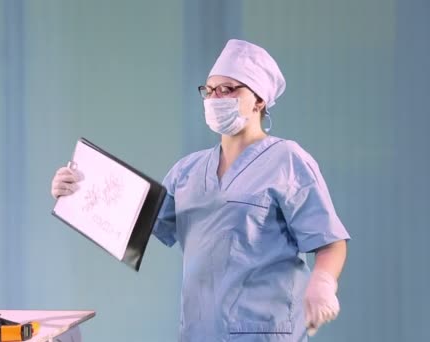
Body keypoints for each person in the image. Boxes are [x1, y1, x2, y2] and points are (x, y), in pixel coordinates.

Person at [51, 39, 350, 342]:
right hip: (200, 332)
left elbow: (330, 240)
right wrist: (76, 188)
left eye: (228, 89)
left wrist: (322, 283)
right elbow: (135, 218)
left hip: (264, 333)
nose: (215, 97)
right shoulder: (187, 172)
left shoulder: (287, 161)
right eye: (209, 90)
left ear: (258, 100)